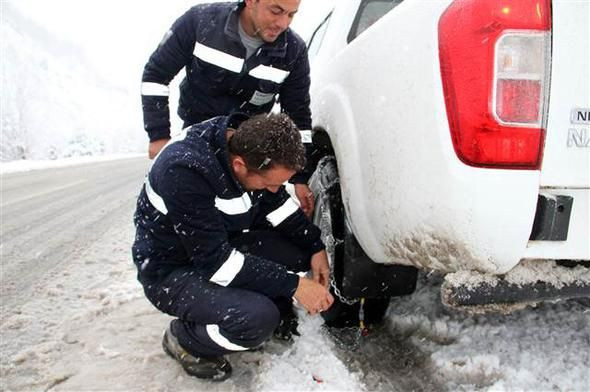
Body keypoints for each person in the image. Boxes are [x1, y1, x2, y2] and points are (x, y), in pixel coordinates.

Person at [132, 113, 333, 381]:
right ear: (239, 165)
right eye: (268, 183)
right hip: (172, 270)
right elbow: (218, 265)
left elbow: (279, 208)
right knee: (256, 320)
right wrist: (295, 286)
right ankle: (185, 339)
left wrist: (316, 248)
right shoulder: (183, 172)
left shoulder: (249, 147)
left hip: (216, 245)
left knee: (298, 255)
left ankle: (263, 303)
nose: (275, 190)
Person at [141, 0, 315, 216]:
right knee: (186, 217)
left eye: (291, 15)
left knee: (243, 223)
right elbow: (155, 76)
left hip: (249, 155)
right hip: (196, 141)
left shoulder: (294, 52)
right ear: (251, 1)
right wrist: (158, 136)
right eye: (276, 11)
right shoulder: (200, 21)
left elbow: (298, 116)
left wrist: (300, 177)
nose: (283, 23)